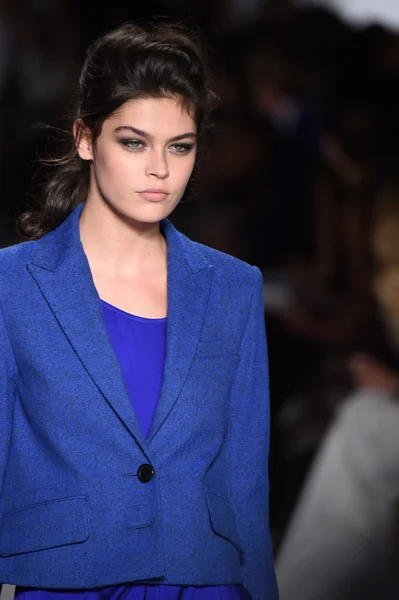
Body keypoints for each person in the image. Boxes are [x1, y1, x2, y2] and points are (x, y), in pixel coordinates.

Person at [0, 21, 278, 600]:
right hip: (66, 584)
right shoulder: (13, 286)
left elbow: (245, 487)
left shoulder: (233, 288)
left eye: (180, 146)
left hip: (205, 580)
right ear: (84, 138)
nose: (160, 169)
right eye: (133, 142)